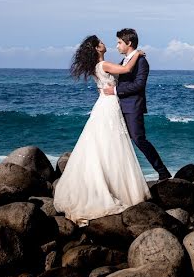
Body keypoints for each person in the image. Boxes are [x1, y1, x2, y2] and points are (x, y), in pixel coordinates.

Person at [53, 35, 150, 223]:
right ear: (98, 48)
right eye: (102, 43)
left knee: (104, 142)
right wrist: (137, 54)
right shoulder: (104, 65)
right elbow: (127, 69)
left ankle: (108, 182)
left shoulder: (97, 67)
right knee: (112, 143)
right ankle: (116, 186)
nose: (107, 44)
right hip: (109, 104)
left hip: (103, 103)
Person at [103, 28, 171, 181]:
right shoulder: (124, 61)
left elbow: (139, 85)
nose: (117, 46)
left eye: (120, 42)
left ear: (129, 43)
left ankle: (163, 171)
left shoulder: (141, 61)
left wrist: (114, 90)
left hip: (133, 106)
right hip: (119, 106)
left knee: (138, 139)